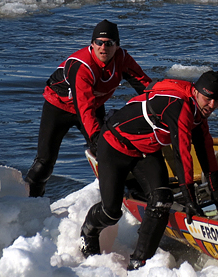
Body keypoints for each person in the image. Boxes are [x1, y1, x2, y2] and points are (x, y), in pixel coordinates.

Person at [79, 70, 218, 271]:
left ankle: (139, 261)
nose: (212, 105)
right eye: (208, 98)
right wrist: (190, 199)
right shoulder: (179, 106)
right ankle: (88, 232)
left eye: (217, 100)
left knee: (161, 200)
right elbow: (182, 154)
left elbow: (205, 147)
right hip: (115, 145)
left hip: (145, 151)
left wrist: (216, 187)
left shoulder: (198, 112)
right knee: (111, 212)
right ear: (195, 91)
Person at [24, 20, 151, 198]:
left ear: (117, 46)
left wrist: (164, 105)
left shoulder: (122, 59)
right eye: (98, 43)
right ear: (92, 44)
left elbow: (145, 86)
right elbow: (84, 108)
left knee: (115, 149)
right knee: (45, 162)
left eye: (109, 43)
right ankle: (29, 202)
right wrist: (95, 137)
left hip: (93, 105)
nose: (103, 47)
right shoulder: (82, 66)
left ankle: (137, 192)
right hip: (58, 108)